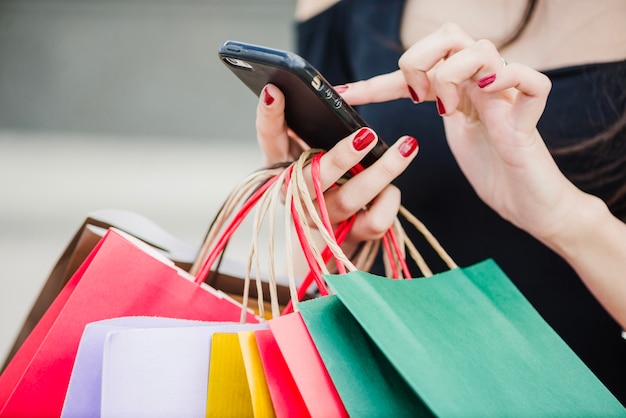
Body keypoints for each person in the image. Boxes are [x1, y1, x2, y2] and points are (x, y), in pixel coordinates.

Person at [256, 0, 626, 403]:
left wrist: (565, 218)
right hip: (385, 392)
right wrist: (322, 223)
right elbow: (303, 276)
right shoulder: (339, 9)